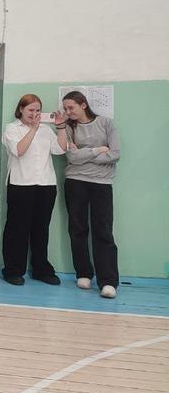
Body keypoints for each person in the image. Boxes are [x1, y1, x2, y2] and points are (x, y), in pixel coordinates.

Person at [1, 94, 67, 286]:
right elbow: (18, 151)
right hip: (20, 184)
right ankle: (13, 270)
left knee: (41, 229)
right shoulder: (12, 129)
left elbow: (60, 149)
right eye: (30, 110)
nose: (34, 114)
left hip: (46, 184)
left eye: (38, 110)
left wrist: (61, 127)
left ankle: (41, 270)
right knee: (17, 229)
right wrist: (33, 129)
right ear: (21, 109)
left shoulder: (46, 130)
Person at [60, 91, 121, 298]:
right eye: (65, 108)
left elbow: (115, 154)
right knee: (77, 229)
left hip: (101, 183)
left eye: (71, 107)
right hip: (75, 182)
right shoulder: (69, 127)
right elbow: (72, 158)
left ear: (83, 105)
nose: (68, 111)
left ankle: (108, 281)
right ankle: (84, 273)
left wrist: (82, 154)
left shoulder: (106, 123)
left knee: (103, 231)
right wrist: (98, 150)